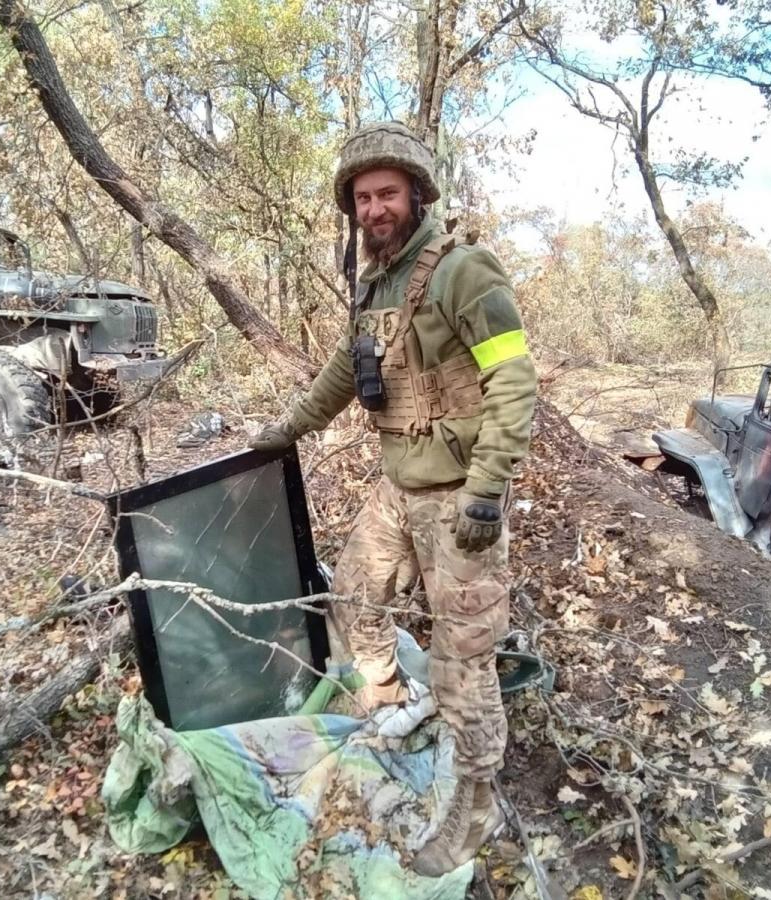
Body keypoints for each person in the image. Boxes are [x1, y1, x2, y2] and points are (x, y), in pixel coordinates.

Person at [250, 121, 537, 876]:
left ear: (417, 195)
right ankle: (390, 700)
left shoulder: (463, 272)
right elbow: (346, 374)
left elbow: (514, 381)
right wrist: (288, 430)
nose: (375, 208)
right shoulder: (374, 282)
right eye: (363, 197)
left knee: (464, 661)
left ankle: (473, 806)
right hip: (399, 485)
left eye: (388, 193)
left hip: (457, 497)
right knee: (356, 600)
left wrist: (487, 491)